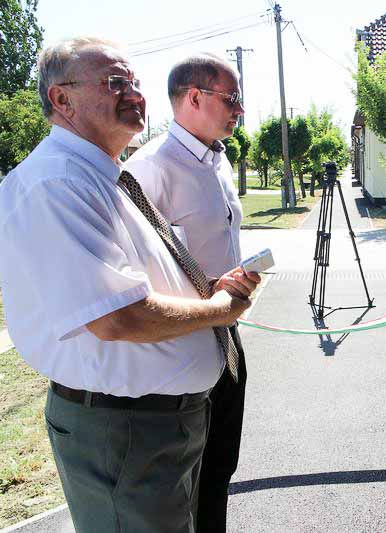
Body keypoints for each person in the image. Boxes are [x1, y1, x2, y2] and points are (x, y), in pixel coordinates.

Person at [0, 38, 260, 532]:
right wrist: (220, 309)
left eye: (135, 83)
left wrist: (207, 288)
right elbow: (118, 316)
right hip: (126, 432)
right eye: (115, 83)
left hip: (156, 424)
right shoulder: (59, 182)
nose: (136, 95)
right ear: (61, 98)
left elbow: (143, 275)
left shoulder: (104, 176)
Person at [125, 53, 247, 532]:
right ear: (194, 98)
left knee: (221, 462)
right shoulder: (150, 168)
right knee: (185, 474)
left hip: (227, 332)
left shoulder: (219, 160)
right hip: (182, 340)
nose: (240, 109)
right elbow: (135, 268)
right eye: (231, 98)